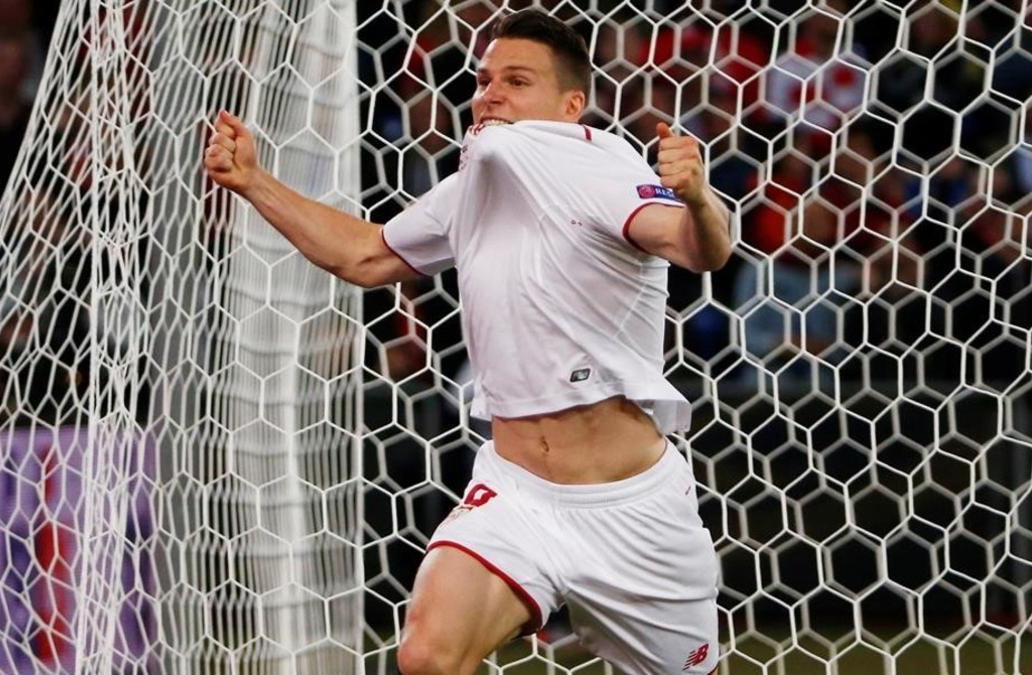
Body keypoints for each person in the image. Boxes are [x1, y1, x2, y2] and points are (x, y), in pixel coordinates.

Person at [204, 10, 729, 674]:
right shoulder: (475, 183)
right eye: (483, 80)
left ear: (572, 106)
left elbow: (695, 247)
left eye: (516, 80)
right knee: (427, 654)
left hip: (634, 510)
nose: (489, 94)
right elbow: (365, 256)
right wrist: (255, 182)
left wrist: (699, 198)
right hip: (518, 496)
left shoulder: (602, 165)